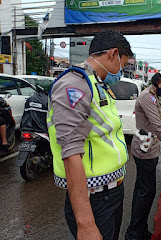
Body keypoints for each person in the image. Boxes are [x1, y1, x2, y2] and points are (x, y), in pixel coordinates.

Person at [48, 30, 133, 240]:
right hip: (95, 198)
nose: (121, 72)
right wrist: (85, 223)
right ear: (113, 54)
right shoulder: (74, 85)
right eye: (123, 65)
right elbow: (71, 152)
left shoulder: (96, 83)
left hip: (111, 192)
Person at [125, 68, 161, 240]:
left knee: (143, 191)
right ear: (159, 81)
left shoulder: (155, 96)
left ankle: (139, 229)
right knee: (146, 192)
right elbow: (158, 127)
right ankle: (134, 233)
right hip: (145, 150)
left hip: (150, 148)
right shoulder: (147, 97)